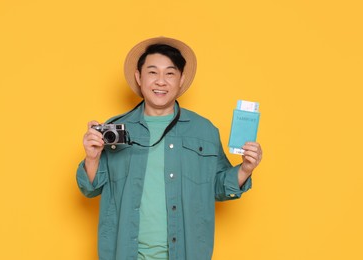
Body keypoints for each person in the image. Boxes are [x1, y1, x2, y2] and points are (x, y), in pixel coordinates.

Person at [76, 37, 262, 260]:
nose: (161, 81)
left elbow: (218, 187)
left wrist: (246, 169)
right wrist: (92, 157)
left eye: (170, 73)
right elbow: (90, 189)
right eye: (153, 72)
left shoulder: (204, 130)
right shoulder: (114, 128)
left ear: (181, 79)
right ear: (139, 77)